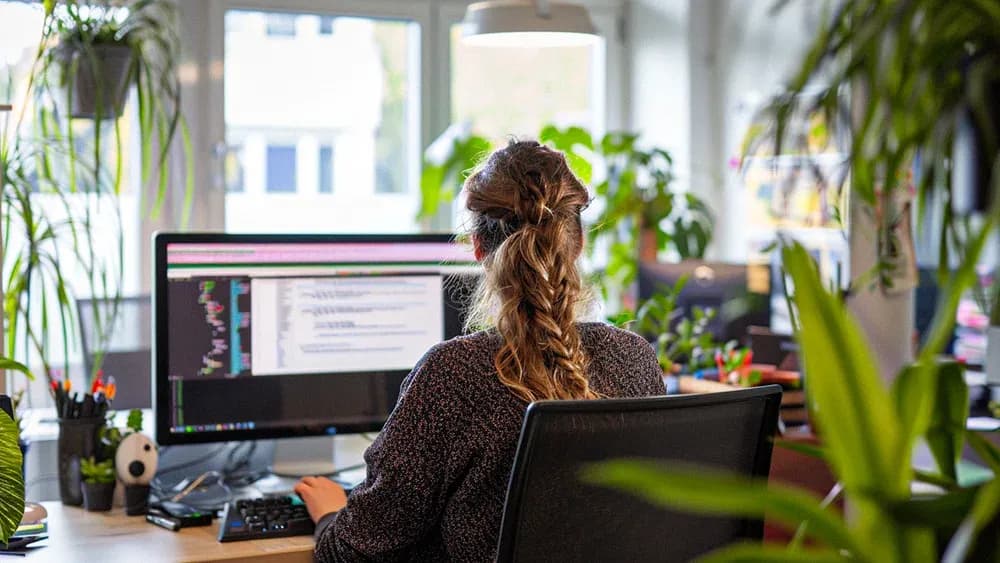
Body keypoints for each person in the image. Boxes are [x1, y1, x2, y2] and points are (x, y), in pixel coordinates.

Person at [295, 140, 665, 562]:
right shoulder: (634, 359)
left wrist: (329, 515)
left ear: (476, 247)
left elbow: (352, 554)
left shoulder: (453, 374)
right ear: (578, 244)